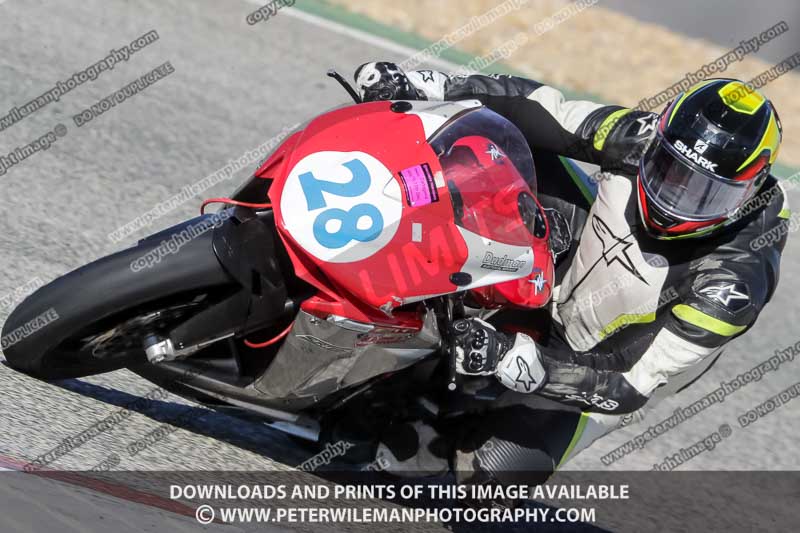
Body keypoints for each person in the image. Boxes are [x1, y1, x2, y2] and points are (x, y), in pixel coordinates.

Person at [354, 62, 789, 485]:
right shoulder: (641, 136)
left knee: (489, 480)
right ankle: (377, 262)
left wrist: (517, 360)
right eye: (668, 170)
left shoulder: (733, 284)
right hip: (568, 261)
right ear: (659, 140)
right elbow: (541, 109)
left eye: (703, 194)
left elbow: (626, 382)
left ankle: (448, 415)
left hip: (601, 361)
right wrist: (432, 88)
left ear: (748, 190)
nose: (672, 197)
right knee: (487, 140)